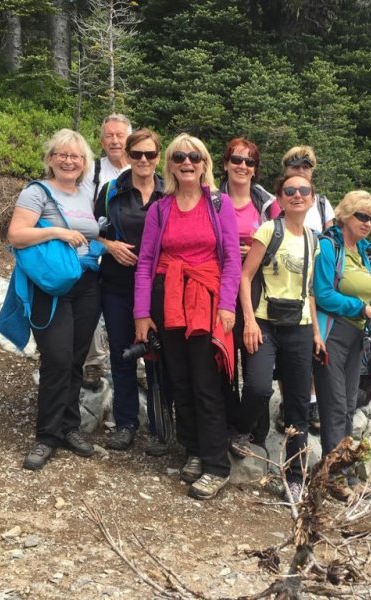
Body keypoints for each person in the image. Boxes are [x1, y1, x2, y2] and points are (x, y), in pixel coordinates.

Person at [133, 133, 240, 500]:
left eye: (194, 156)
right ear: (172, 164)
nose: (187, 162)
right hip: (169, 298)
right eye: (179, 156)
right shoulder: (160, 210)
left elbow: (232, 261)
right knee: (179, 379)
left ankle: (216, 465)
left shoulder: (218, 203)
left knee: (206, 381)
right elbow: (145, 263)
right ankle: (194, 448)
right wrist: (141, 313)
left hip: (206, 300)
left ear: (205, 162)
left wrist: (227, 306)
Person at [7, 129, 101, 470]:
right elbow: (16, 235)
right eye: (61, 154)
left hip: (88, 282)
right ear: (50, 159)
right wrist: (58, 231)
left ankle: (69, 427)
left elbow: (93, 233)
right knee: (57, 357)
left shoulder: (87, 192)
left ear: (84, 163)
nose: (68, 161)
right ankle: (46, 436)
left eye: (75, 156)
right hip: (51, 285)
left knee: (75, 357)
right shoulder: (36, 192)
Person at [235, 175, 325, 504]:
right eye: (290, 191)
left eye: (304, 191)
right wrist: (249, 320)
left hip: (299, 328)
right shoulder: (268, 231)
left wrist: (316, 332)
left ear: (312, 199)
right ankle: (241, 428)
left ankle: (294, 477)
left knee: (298, 405)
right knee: (258, 386)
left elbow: (310, 291)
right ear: (280, 199)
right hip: (265, 323)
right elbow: (245, 276)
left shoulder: (314, 240)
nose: (297, 195)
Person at [94, 128, 166, 455]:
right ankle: (126, 424)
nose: (143, 160)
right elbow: (92, 232)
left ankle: (159, 426)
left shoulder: (170, 192)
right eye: (136, 154)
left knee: (157, 356)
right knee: (122, 353)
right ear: (128, 154)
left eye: (149, 154)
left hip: (158, 287)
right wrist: (109, 246)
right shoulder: (111, 191)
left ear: (158, 157)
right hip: (117, 283)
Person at [312, 190, 371, 499]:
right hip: (332, 334)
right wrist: (360, 308)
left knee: (349, 404)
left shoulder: (362, 252)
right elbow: (322, 292)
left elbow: (370, 295)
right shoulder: (329, 247)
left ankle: (343, 467)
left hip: (357, 336)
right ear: (345, 215)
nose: (368, 223)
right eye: (362, 216)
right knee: (335, 404)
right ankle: (334, 476)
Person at [218, 137, 277, 451]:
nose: (242, 166)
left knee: (256, 367)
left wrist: (258, 251)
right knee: (225, 359)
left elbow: (283, 242)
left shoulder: (267, 204)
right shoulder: (213, 199)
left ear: (255, 169)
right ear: (225, 164)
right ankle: (230, 426)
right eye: (236, 160)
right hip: (221, 283)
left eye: (249, 161)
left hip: (259, 286)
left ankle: (256, 431)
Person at [274, 145, 334, 434]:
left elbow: (331, 241)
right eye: (294, 164)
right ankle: (289, 403)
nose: (300, 169)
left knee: (313, 343)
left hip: (316, 280)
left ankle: (309, 400)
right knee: (290, 346)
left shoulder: (321, 204)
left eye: (306, 165)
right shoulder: (276, 202)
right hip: (285, 283)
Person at [81, 114, 133, 391]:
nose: (114, 141)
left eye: (120, 135)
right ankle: (92, 361)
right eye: (109, 136)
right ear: (101, 141)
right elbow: (81, 209)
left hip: (130, 253)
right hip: (95, 245)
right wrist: (104, 244)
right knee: (89, 303)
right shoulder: (93, 171)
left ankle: (139, 361)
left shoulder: (141, 166)